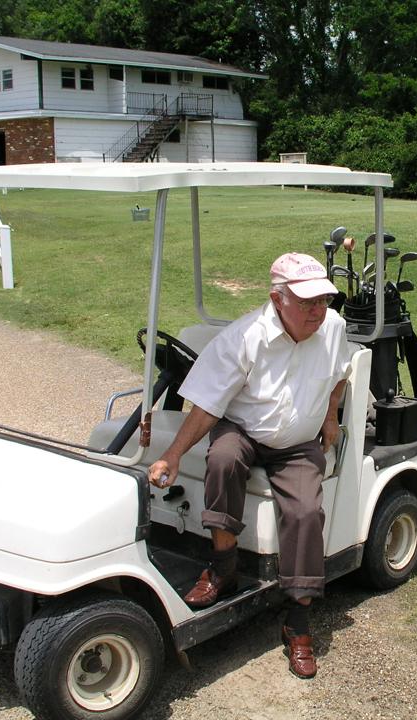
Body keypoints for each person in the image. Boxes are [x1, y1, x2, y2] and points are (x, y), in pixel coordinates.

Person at [148, 252, 351, 679]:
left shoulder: (332, 327)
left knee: (305, 512)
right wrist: (173, 454)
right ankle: (223, 568)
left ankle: (297, 621)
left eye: (323, 300)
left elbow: (339, 375)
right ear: (278, 299)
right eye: (307, 301)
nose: (318, 310)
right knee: (221, 458)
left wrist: (331, 415)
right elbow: (205, 406)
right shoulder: (244, 337)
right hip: (242, 429)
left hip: (297, 445)